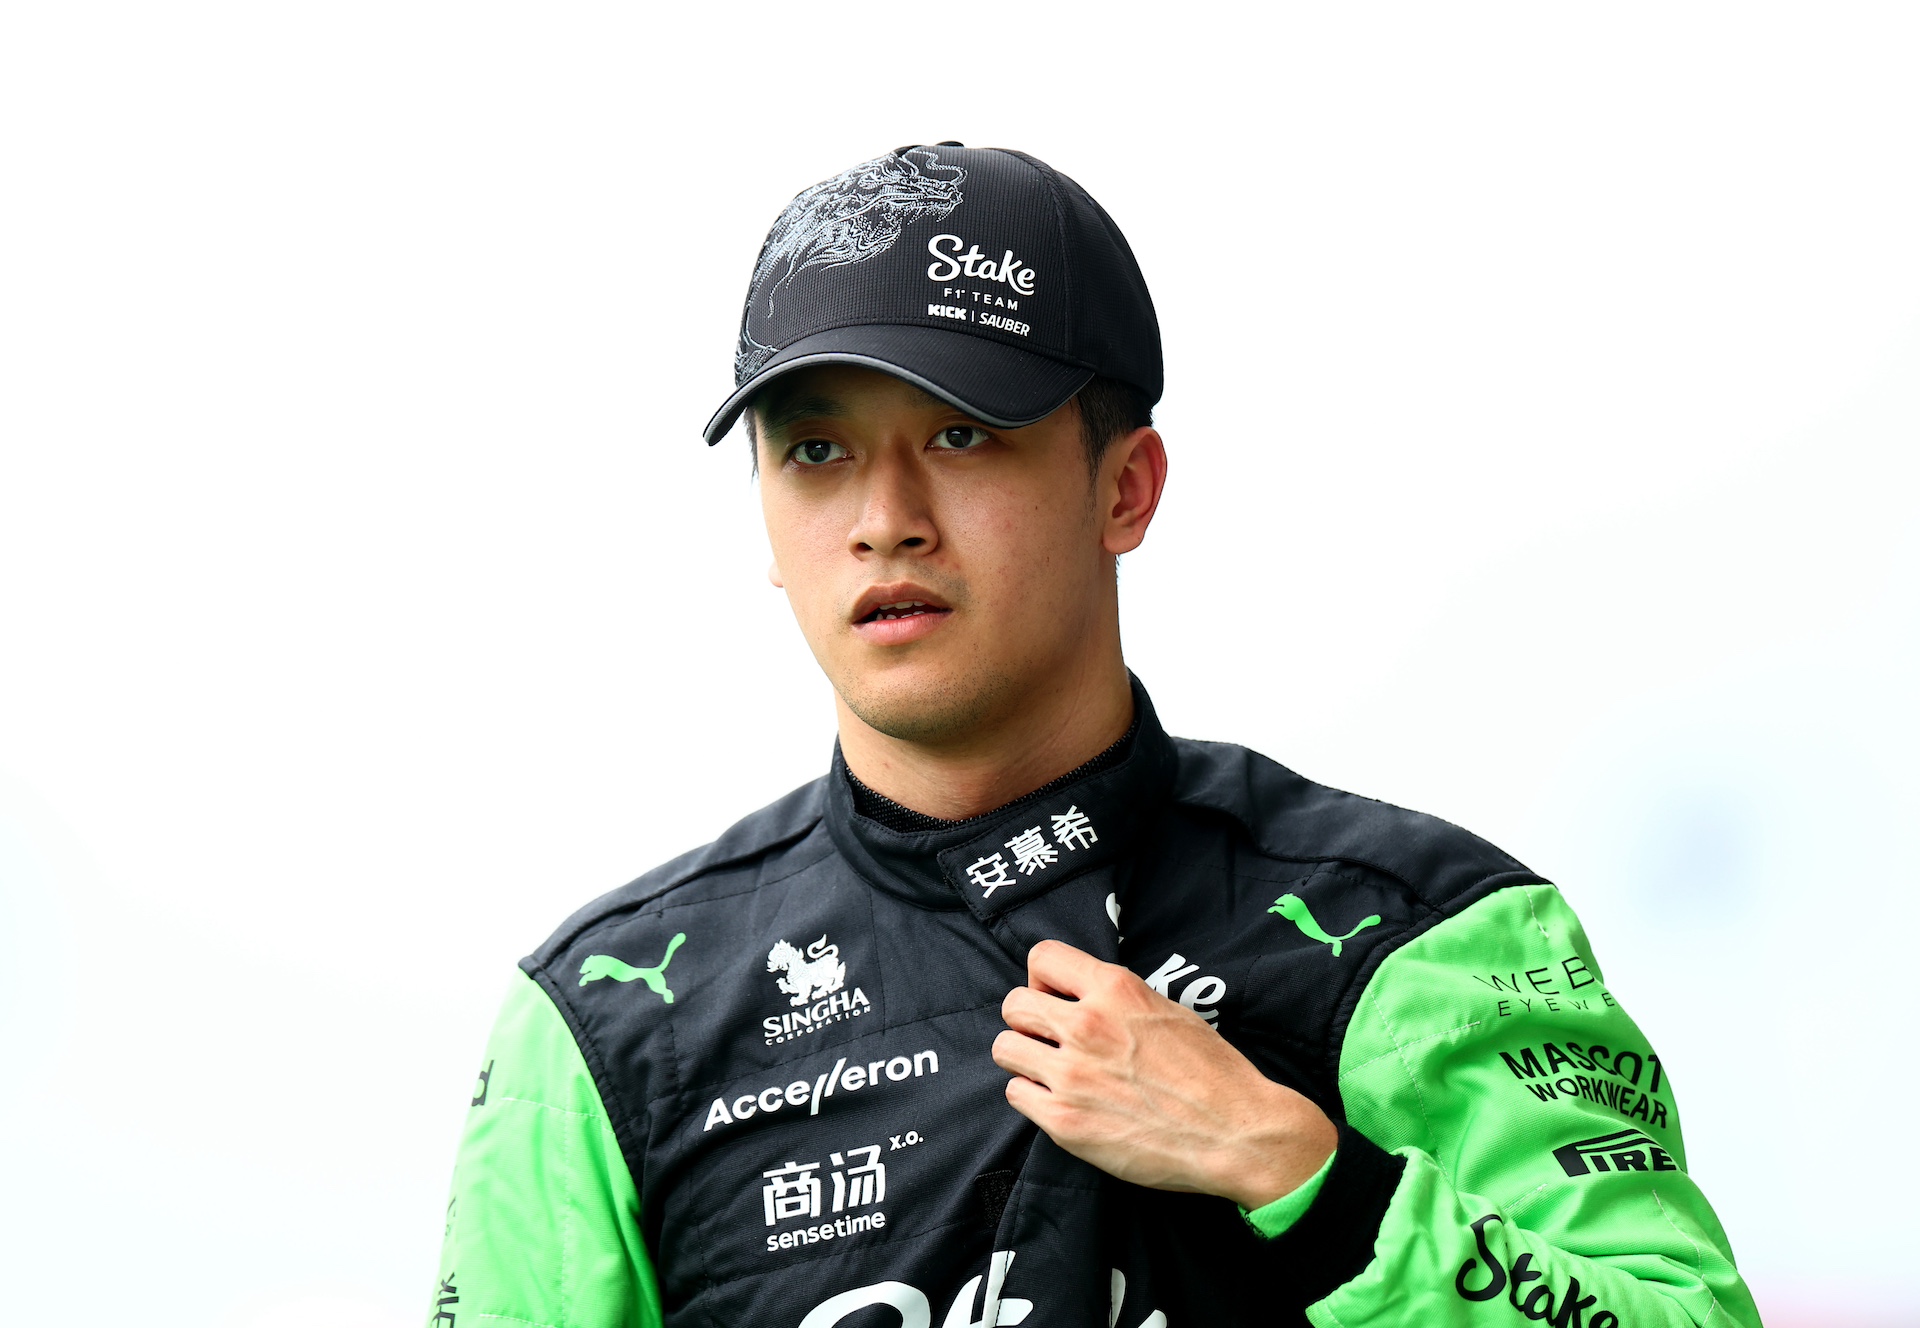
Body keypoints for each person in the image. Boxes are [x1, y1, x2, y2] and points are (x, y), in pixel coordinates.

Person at [431, 143, 1759, 1328]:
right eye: (819, 454)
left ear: (1124, 487)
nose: (884, 517)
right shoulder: (609, 1021)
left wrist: (1298, 1174)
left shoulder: (1415, 934)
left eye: (961, 434)